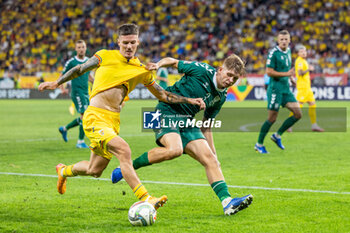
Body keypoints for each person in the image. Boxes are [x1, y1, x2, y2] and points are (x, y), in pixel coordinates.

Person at [38, 24, 205, 209]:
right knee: (124, 150)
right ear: (118, 42)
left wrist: (190, 101)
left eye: (132, 42)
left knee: (95, 170)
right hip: (95, 116)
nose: (129, 46)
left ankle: (63, 171)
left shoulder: (141, 70)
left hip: (113, 121)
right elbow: (80, 69)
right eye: (125, 42)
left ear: (138, 42)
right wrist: (56, 82)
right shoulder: (104, 55)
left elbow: (163, 95)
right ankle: (146, 198)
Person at [111, 54, 253, 216]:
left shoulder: (221, 97)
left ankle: (227, 203)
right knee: (174, 149)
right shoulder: (202, 70)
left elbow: (207, 126)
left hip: (187, 121)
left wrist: (214, 155)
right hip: (167, 110)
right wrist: (158, 64)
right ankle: (128, 167)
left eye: (234, 79)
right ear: (220, 70)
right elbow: (173, 61)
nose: (230, 80)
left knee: (211, 160)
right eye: (229, 75)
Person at [254, 30, 302, 154]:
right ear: (278, 40)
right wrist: (286, 74)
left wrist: (291, 79)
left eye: (286, 39)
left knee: (298, 113)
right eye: (282, 39)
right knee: (272, 118)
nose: (284, 41)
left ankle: (277, 135)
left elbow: (287, 68)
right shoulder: (273, 53)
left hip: (286, 89)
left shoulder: (289, 51)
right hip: (275, 89)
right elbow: (269, 72)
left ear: (289, 40)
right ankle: (259, 144)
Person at [57, 40, 94, 148]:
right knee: (85, 116)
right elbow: (62, 76)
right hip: (77, 92)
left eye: (83, 47)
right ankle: (80, 142)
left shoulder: (88, 61)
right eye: (79, 47)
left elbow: (89, 76)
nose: (81, 49)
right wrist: (62, 88)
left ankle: (64, 128)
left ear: (86, 48)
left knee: (85, 116)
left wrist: (96, 83)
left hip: (86, 92)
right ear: (76, 49)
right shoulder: (71, 62)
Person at [291, 45, 324, 132]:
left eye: (305, 51)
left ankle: (314, 125)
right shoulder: (300, 61)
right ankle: (288, 125)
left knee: (312, 104)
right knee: (298, 107)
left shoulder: (303, 61)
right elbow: (300, 73)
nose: (304, 53)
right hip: (302, 87)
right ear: (298, 53)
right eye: (301, 51)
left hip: (307, 88)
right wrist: (309, 69)